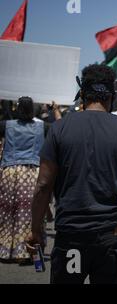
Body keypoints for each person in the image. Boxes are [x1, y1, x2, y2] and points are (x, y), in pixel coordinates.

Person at [26, 64, 117, 284]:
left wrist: (36, 230)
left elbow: (43, 185)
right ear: (112, 95)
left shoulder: (59, 128)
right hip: (110, 236)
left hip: (70, 236)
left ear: (82, 94)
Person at [0, 97, 61, 262]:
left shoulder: (6, 125)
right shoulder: (44, 127)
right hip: (32, 173)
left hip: (9, 172)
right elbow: (60, 128)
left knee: (7, 212)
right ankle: (27, 252)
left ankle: (6, 251)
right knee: (30, 213)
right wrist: (55, 109)